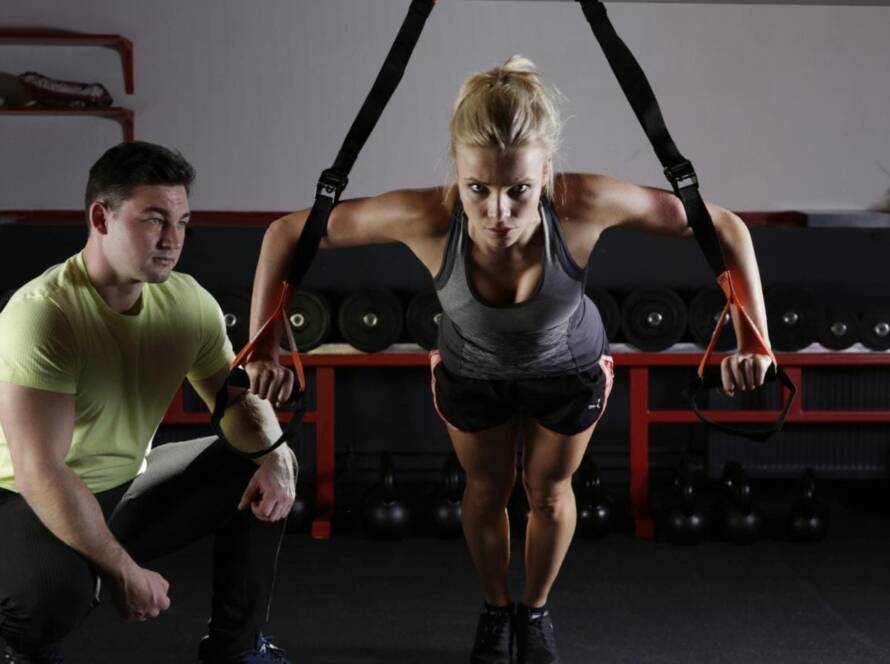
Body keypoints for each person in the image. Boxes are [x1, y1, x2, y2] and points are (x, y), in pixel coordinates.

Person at [246, 56, 773, 664]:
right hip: (474, 372)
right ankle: (497, 610)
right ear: (458, 174)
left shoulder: (583, 202)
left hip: (569, 370)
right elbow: (286, 232)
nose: (498, 212)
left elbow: (723, 227)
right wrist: (263, 344)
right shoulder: (427, 216)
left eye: (519, 189)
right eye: (478, 188)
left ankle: (536, 610)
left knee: (548, 493)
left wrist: (753, 340)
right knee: (485, 491)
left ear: (546, 173)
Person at [0, 141, 298, 664]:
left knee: (266, 458)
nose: (172, 240)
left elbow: (235, 403)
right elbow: (40, 470)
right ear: (101, 218)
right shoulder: (45, 313)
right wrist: (123, 570)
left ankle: (237, 648)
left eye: (182, 223)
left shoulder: (187, 302)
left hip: (124, 485)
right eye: (154, 220)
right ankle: (18, 646)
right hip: (23, 496)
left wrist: (274, 456)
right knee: (52, 597)